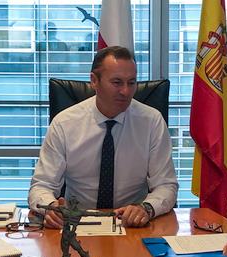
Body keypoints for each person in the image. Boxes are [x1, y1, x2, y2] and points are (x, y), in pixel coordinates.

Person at [28, 46, 178, 229]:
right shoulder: (65, 123)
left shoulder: (151, 121)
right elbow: (42, 185)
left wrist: (146, 208)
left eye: (131, 83)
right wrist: (50, 207)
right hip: (76, 222)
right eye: (117, 82)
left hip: (131, 224)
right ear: (94, 81)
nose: (126, 91)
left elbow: (166, 185)